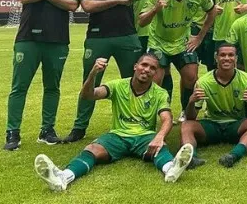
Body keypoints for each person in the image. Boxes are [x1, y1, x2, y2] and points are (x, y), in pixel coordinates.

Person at [33, 55, 194, 191]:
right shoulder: (118, 85)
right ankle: (63, 177)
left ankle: (171, 169)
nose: (147, 69)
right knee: (92, 149)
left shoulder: (160, 93)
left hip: (144, 136)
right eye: (144, 65)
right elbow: (87, 95)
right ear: (135, 66)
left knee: (160, 147)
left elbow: (167, 118)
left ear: (156, 72)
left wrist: (159, 136)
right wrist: (93, 74)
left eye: (152, 68)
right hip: (118, 135)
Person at [63, 0, 145, 144]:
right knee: (90, 81)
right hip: (98, 38)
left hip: (127, 35)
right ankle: (79, 127)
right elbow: (88, 6)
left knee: (134, 81)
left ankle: (136, 122)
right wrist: (117, 0)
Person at [5, 0, 80, 151]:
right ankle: (13, 133)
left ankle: (47, 131)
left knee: (52, 87)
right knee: (19, 87)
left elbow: (73, 6)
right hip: (29, 39)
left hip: (57, 41)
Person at [139, 0, 217, 116]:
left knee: (191, 76)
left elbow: (212, 11)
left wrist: (199, 37)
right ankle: (155, 113)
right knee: (155, 78)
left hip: (183, 42)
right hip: (158, 42)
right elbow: (141, 22)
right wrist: (155, 9)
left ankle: (185, 112)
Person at [180, 43, 247, 168]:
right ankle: (191, 158)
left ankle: (234, 155)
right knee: (186, 125)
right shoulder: (204, 82)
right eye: (223, 55)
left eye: (231, 55)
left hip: (236, 124)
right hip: (212, 124)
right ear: (216, 57)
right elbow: (191, 117)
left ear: (236, 58)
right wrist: (191, 102)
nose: (227, 58)